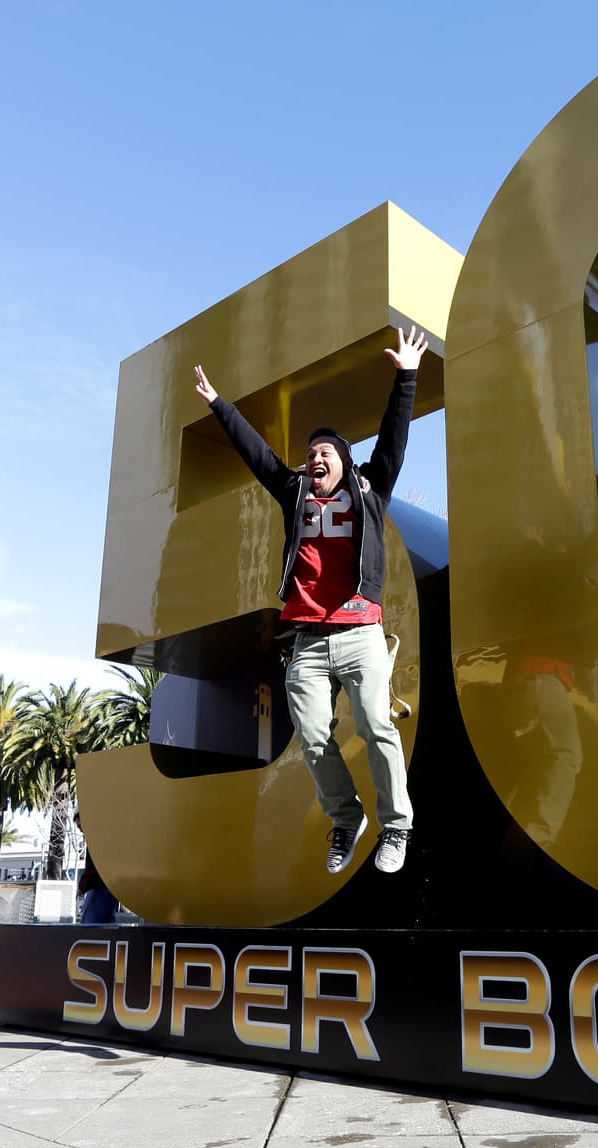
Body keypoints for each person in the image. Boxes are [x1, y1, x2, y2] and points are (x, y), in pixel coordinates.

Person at [193, 326, 427, 874]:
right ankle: (346, 821)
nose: (313, 459)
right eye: (309, 453)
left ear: (344, 460)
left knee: (375, 725)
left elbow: (394, 438)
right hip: (305, 640)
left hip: (359, 632)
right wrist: (218, 405)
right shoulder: (294, 492)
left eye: (323, 452)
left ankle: (396, 827)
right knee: (313, 735)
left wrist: (407, 376)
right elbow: (258, 456)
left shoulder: (369, 490)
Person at [75, 810, 118, 924]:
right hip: (111, 887)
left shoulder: (95, 839)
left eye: (80, 827)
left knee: (90, 926)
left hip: (98, 888)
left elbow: (93, 868)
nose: (81, 831)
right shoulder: (106, 837)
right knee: (107, 925)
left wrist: (82, 886)